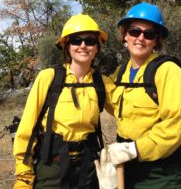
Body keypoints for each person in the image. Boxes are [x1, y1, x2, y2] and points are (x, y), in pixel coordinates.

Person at [13, 14, 115, 189]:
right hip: (52, 167)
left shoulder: (102, 82)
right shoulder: (49, 78)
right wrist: (24, 177)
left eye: (90, 41)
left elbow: (127, 112)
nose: (83, 46)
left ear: (97, 47)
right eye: (76, 40)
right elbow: (27, 129)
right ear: (67, 46)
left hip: (89, 168)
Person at [107, 2, 181, 188]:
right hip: (126, 168)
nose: (140, 38)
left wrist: (134, 149)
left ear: (156, 41)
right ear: (125, 36)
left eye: (149, 34)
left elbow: (174, 125)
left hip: (160, 174)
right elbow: (110, 100)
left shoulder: (168, 71)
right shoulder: (121, 73)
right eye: (135, 31)